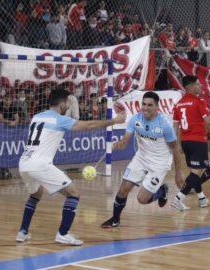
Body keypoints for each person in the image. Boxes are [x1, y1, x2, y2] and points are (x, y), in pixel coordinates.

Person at [16, 88, 126, 245]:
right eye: (68, 102)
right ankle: (63, 234)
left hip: (24, 163)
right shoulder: (58, 120)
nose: (69, 104)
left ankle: (22, 232)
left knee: (36, 195)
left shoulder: (37, 117)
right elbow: (88, 126)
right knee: (73, 194)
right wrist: (114, 121)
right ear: (62, 104)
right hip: (39, 164)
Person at [101, 92, 183, 228]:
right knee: (123, 189)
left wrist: (178, 173)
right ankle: (115, 220)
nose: (145, 108)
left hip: (159, 163)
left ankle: (162, 191)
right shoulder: (135, 119)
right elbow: (126, 139)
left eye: (150, 105)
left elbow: (175, 148)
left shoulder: (165, 125)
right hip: (141, 158)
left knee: (142, 199)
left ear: (157, 106)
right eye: (143, 104)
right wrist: (120, 143)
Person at [171, 75, 210, 211]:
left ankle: (201, 198)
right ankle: (178, 199)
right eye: (197, 84)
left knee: (195, 170)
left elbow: (175, 127)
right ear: (189, 87)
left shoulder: (178, 104)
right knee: (196, 171)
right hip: (197, 140)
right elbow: (208, 121)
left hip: (185, 141)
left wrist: (177, 144)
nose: (200, 86)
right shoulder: (198, 101)